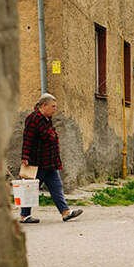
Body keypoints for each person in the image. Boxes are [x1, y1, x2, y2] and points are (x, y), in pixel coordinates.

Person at [19, 93, 83, 223]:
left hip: (50, 162)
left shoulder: (46, 119)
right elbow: (28, 138)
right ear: (44, 105)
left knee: (56, 187)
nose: (55, 109)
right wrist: (25, 156)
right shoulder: (34, 119)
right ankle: (24, 215)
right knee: (31, 188)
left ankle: (65, 212)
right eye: (53, 106)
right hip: (38, 162)